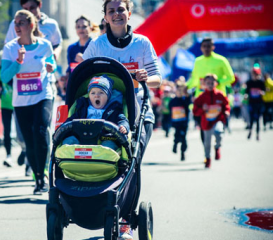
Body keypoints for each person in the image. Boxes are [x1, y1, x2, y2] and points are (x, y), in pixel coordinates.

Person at [82, 1, 161, 238]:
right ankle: (98, 207)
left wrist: (147, 78)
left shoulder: (142, 43)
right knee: (105, 161)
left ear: (128, 13)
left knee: (131, 165)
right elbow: (82, 75)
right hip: (105, 115)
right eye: (111, 11)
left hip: (138, 114)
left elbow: (158, 78)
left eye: (121, 10)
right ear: (105, 17)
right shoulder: (97, 45)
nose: (116, 14)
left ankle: (125, 219)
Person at [1, 10, 56, 195]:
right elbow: (5, 76)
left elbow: (52, 64)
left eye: (21, 23)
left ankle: (46, 173)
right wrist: (18, 61)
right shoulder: (10, 48)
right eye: (15, 23)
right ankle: (38, 176)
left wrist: (51, 67)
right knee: (29, 141)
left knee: (40, 133)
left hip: (42, 96)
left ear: (31, 25)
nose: (17, 27)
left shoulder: (45, 45)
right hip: (21, 101)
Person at [187, 37, 235, 143]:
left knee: (217, 126)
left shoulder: (221, 60)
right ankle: (206, 151)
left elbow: (231, 77)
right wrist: (186, 86)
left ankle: (217, 142)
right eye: (204, 46)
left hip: (217, 98)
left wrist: (217, 83)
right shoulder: (198, 61)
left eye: (209, 46)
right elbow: (194, 79)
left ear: (213, 47)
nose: (206, 48)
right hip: (202, 97)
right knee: (202, 125)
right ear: (201, 48)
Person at [62, 75, 129, 150]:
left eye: (101, 93)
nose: (96, 96)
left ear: (108, 96)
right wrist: (62, 129)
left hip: (105, 139)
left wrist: (123, 126)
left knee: (108, 146)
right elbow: (71, 120)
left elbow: (122, 120)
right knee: (69, 141)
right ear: (89, 96)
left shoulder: (114, 110)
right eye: (93, 93)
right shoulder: (83, 108)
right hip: (81, 140)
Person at [193, 74, 230, 168]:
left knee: (219, 132)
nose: (210, 85)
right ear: (204, 84)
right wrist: (202, 109)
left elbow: (226, 104)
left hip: (218, 120)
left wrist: (226, 111)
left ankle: (217, 147)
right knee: (207, 143)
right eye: (208, 83)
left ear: (216, 83)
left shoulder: (220, 94)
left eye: (212, 83)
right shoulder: (201, 97)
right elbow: (195, 111)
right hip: (206, 123)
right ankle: (207, 159)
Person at [169, 81, 191, 161]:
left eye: (181, 90)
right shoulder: (173, 100)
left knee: (183, 137)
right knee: (177, 135)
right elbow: (170, 111)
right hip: (176, 122)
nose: (179, 92)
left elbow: (189, 103)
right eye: (178, 90)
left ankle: (182, 152)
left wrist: (186, 94)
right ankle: (175, 143)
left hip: (184, 122)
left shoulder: (185, 99)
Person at [245, 66, 265, 141]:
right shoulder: (249, 82)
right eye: (253, 74)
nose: (255, 76)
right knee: (251, 118)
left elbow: (264, 91)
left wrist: (262, 93)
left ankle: (257, 134)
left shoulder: (261, 82)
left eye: (256, 74)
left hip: (259, 103)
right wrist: (246, 96)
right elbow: (246, 92)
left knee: (257, 119)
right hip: (251, 103)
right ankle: (250, 131)